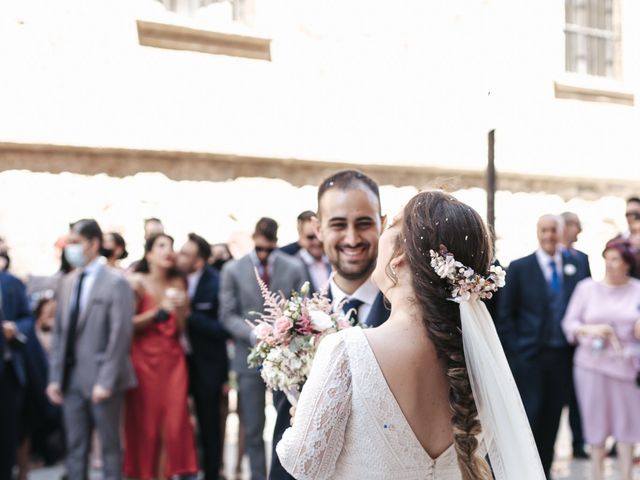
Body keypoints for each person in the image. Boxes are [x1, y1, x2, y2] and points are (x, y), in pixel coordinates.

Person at [276, 190, 544, 479]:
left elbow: (304, 466)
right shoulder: (479, 365)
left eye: (390, 225)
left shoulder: (347, 351)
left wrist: (301, 422)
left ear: (399, 257)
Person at [270, 170, 392, 480]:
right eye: (339, 224)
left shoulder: (411, 318)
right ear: (318, 228)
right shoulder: (293, 322)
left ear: (383, 223)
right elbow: (285, 427)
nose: (352, 239)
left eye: (364, 223)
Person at [496, 214, 590, 478]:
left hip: (563, 357)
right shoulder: (519, 267)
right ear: (537, 233)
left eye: (553, 231)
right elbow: (506, 314)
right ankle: (525, 471)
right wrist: (516, 350)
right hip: (530, 358)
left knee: (553, 419)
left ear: (561, 233)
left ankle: (545, 471)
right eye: (544, 230)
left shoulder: (578, 264)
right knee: (530, 417)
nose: (549, 235)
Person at [47, 219, 136, 480]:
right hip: (70, 378)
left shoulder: (115, 282)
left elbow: (120, 335)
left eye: (75, 243)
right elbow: (60, 333)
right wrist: (54, 377)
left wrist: (106, 380)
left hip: (102, 378)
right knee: (75, 447)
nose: (70, 248)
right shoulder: (67, 281)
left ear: (93, 244)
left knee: (109, 448)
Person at [220, 217, 306, 480]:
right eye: (260, 249)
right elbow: (226, 314)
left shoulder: (293, 266)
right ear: (253, 240)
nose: (264, 255)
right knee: (253, 429)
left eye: (270, 249)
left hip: (289, 361)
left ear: (276, 243)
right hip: (249, 360)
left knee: (288, 426)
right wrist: (253, 334)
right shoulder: (232, 270)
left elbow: (303, 308)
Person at [562, 240, 640, 480]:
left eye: (616, 258)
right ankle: (597, 475)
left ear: (627, 264)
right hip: (591, 366)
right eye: (608, 257)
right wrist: (591, 329)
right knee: (595, 423)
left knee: (627, 424)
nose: (610, 263)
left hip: (626, 367)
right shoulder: (587, 288)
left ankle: (627, 475)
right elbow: (569, 324)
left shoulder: (637, 289)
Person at [124, 233, 199, 480]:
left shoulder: (179, 283)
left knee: (174, 425)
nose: (169, 251)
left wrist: (179, 309)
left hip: (173, 361)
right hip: (144, 363)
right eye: (162, 246)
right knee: (147, 427)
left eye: (171, 246)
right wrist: (158, 312)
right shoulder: (137, 283)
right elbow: (129, 324)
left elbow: (179, 330)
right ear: (149, 254)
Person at [177, 233, 229, 480]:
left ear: (198, 262)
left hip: (207, 366)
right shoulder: (174, 279)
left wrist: (189, 316)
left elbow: (222, 328)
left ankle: (211, 474)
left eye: (186, 254)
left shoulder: (216, 282)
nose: (179, 257)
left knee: (209, 426)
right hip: (175, 365)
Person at [559, 211, 590, 459]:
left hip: (577, 339)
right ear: (566, 226)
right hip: (549, 339)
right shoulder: (549, 257)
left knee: (578, 393)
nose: (579, 231)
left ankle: (579, 442)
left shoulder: (583, 260)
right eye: (577, 226)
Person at [0, 267, 31, 480]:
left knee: (8, 431)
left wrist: (15, 328)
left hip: (8, 371)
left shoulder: (11, 283)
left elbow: (27, 317)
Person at [286, 210, 331, 293]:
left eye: (319, 235)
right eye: (310, 237)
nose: (317, 242)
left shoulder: (334, 260)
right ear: (300, 237)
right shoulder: (290, 267)